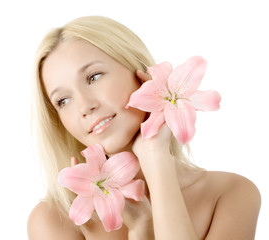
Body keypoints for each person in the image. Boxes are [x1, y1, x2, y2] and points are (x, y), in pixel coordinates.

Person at [27, 16, 261, 240]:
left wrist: (156, 158)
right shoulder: (54, 220)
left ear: (141, 73)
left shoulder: (231, 194)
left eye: (94, 77)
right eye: (63, 101)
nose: (85, 107)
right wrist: (142, 231)